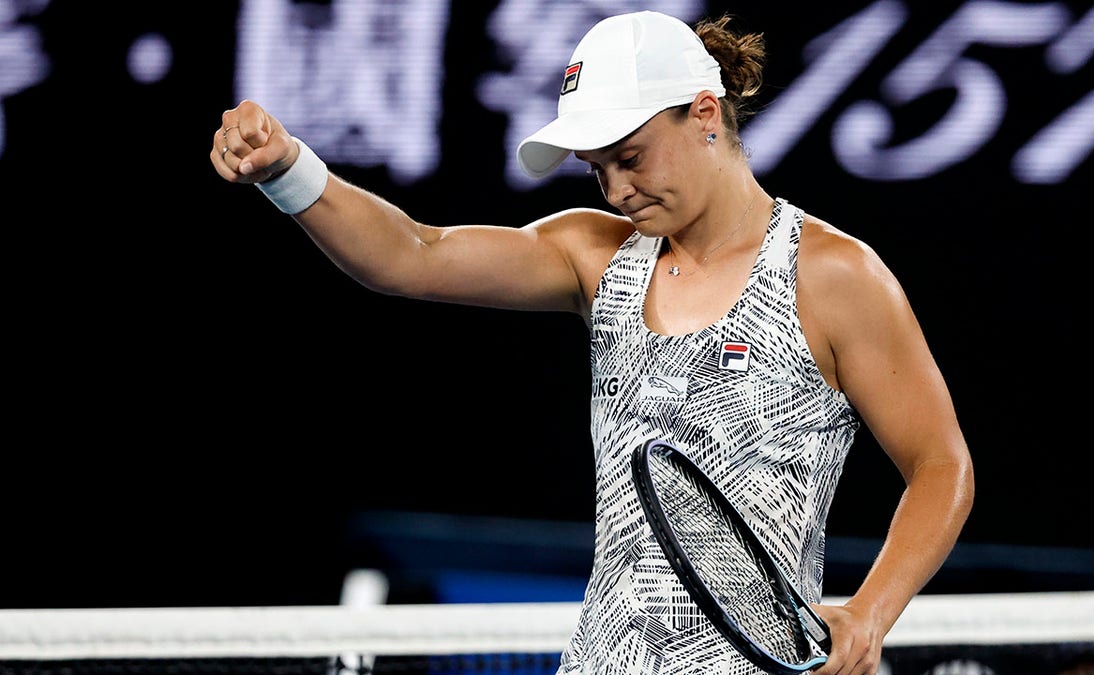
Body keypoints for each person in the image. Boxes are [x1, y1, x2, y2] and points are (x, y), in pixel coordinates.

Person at [212, 10, 973, 675]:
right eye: (596, 168)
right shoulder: (594, 255)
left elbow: (941, 465)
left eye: (630, 156)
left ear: (705, 114)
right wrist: (288, 171)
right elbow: (410, 254)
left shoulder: (835, 275)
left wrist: (870, 612)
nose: (615, 190)